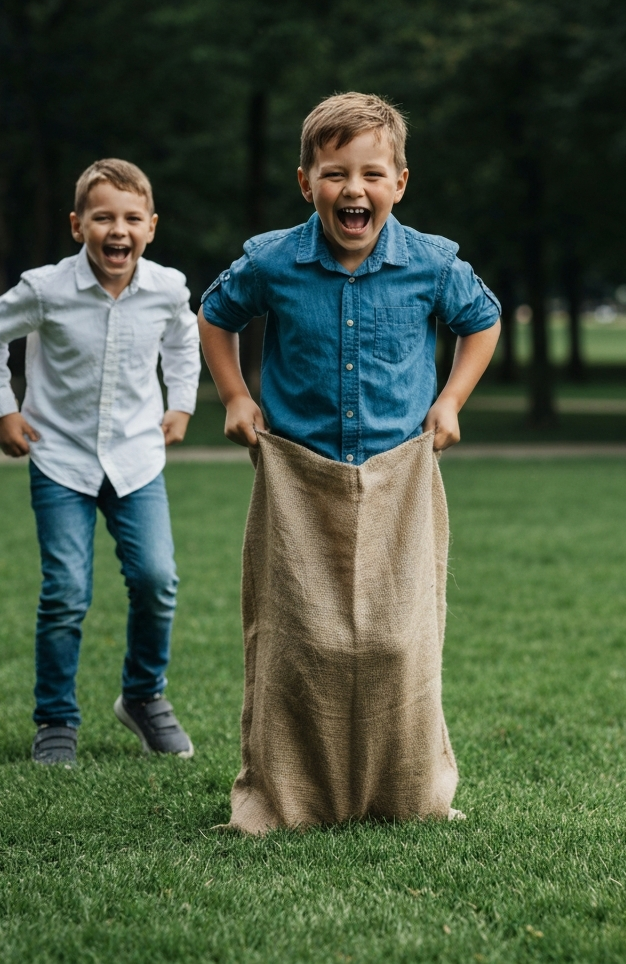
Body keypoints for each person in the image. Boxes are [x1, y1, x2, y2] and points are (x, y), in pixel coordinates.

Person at [199, 93, 501, 831]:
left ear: (400, 182)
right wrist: (236, 397)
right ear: (307, 183)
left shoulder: (431, 262)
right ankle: (290, 800)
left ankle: (405, 794)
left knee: (400, 638)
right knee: (304, 640)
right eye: (335, 174)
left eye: (372, 174)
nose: (354, 190)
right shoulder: (272, 260)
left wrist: (451, 400)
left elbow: (483, 320)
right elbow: (214, 315)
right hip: (298, 475)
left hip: (400, 473)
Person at [0, 158, 200, 768]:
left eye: (130, 219)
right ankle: (56, 720)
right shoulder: (46, 289)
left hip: (136, 458)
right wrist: (4, 411)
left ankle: (145, 698)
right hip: (60, 457)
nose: (116, 230)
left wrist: (181, 405)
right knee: (66, 592)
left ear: (151, 227)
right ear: (78, 226)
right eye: (102, 218)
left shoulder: (167, 289)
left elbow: (183, 340)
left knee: (156, 579)